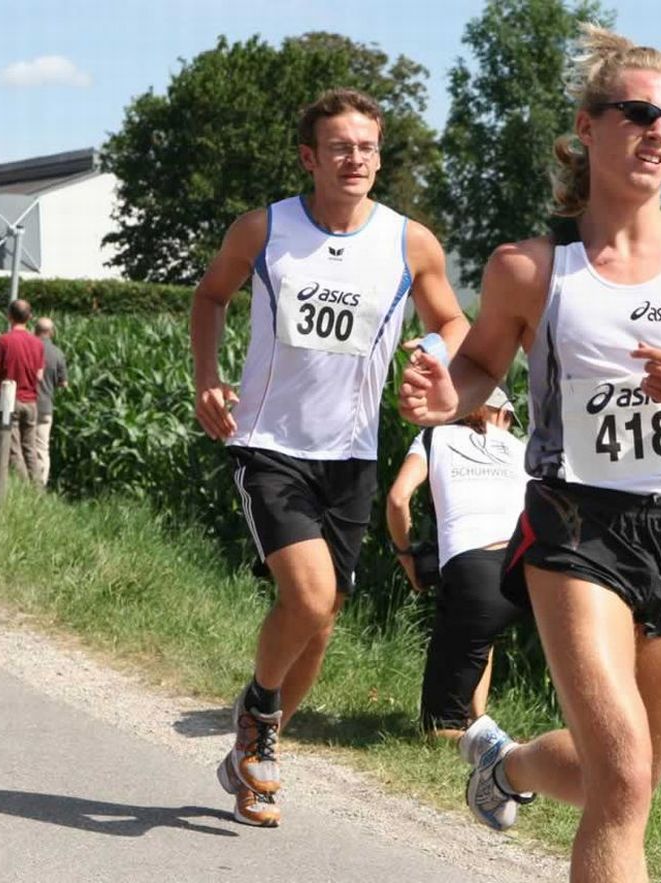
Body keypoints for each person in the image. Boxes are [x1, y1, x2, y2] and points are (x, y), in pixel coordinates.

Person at [397, 25, 661, 883]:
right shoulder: (530, 267)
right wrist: (447, 396)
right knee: (622, 776)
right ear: (588, 127)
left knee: (628, 777)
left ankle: (507, 765)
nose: (660, 133)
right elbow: (478, 368)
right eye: (638, 115)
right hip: (575, 525)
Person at [191, 88, 467, 828]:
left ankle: (254, 752)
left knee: (322, 621)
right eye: (340, 147)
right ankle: (259, 715)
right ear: (309, 158)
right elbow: (211, 297)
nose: (356, 159)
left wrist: (432, 356)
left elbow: (452, 321)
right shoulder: (264, 229)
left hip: (351, 455)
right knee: (310, 597)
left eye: (367, 147)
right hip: (269, 444)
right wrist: (207, 378)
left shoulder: (410, 243)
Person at [386, 388, 527, 741]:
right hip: (524, 571)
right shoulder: (519, 448)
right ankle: (480, 722)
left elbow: (398, 499)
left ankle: (507, 754)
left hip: (473, 571)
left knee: (436, 727)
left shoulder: (434, 437)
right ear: (502, 414)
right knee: (479, 633)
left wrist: (406, 555)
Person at [0, 299, 45, 485]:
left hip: (9, 401)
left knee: (12, 448)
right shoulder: (38, 343)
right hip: (31, 401)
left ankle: (24, 487)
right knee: (30, 448)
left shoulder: (3, 341)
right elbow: (40, 375)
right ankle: (38, 488)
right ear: (29, 317)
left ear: (9, 316)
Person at [33, 316, 68, 487]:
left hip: (27, 402)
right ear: (52, 332)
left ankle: (22, 481)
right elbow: (64, 383)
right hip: (46, 406)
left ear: (35, 330)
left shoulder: (29, 347)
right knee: (42, 448)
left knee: (24, 445)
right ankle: (39, 486)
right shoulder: (58, 353)